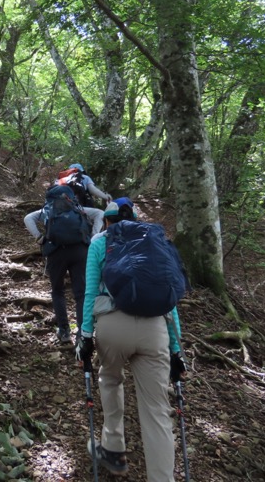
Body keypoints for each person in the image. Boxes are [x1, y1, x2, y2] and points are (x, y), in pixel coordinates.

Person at [75, 198, 186, 481]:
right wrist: (176, 349)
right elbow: (169, 301)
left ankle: (113, 447)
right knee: (157, 410)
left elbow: (89, 293)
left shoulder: (100, 242)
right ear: (135, 220)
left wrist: (85, 336)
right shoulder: (153, 244)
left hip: (113, 326)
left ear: (108, 220)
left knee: (110, 379)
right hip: (155, 330)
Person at [24, 189, 104, 344]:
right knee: (81, 294)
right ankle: (82, 333)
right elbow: (100, 213)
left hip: (56, 252)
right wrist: (93, 235)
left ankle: (64, 331)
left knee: (58, 290)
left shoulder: (47, 209)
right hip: (80, 251)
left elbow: (28, 218)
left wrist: (39, 238)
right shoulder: (77, 208)